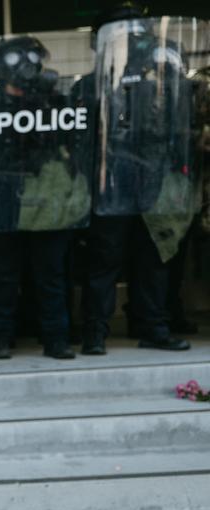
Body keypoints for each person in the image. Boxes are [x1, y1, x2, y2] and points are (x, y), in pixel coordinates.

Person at [81, 4, 192, 354]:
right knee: (105, 259)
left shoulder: (161, 79)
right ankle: (95, 332)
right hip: (110, 180)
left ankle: (152, 326)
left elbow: (179, 126)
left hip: (153, 177)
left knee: (154, 255)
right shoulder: (89, 86)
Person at [0, 37, 87, 360]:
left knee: (50, 274)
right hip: (5, 201)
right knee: (5, 275)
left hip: (45, 200)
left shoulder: (52, 103)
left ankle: (56, 339)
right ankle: (0, 339)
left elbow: (73, 144)